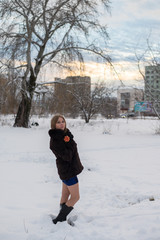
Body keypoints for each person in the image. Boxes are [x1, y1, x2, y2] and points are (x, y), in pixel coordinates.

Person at [48, 115, 84, 224]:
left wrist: (69, 139)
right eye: (58, 122)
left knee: (65, 194)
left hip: (66, 170)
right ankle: (60, 218)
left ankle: (61, 215)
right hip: (68, 171)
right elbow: (67, 156)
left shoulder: (64, 135)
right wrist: (71, 143)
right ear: (54, 125)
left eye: (63, 121)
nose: (61, 124)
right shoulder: (56, 140)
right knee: (76, 197)